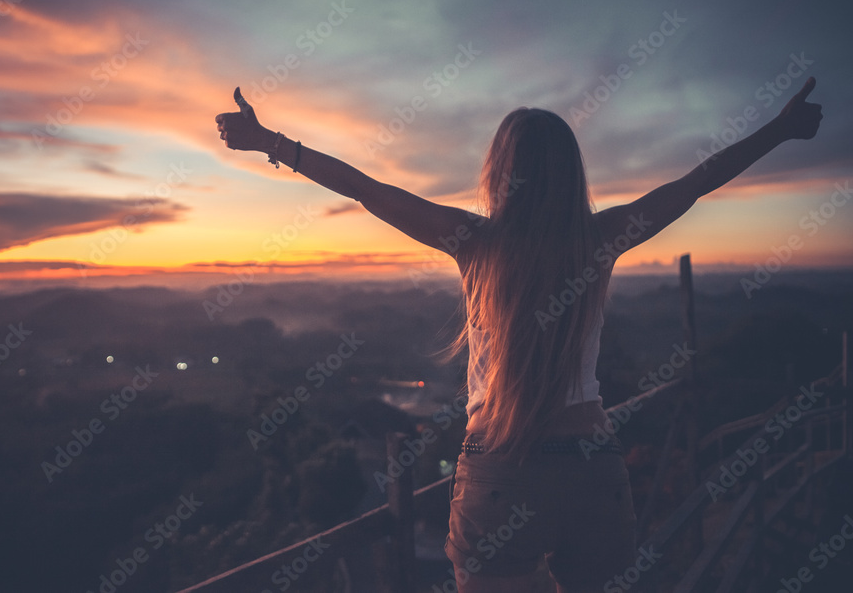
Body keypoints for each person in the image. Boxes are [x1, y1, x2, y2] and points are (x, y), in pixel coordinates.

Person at [215, 79, 823, 592]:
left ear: (500, 173)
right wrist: (779, 129)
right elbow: (695, 182)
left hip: (500, 473)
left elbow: (367, 189)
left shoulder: (475, 243)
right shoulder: (600, 238)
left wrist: (268, 142)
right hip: (592, 472)